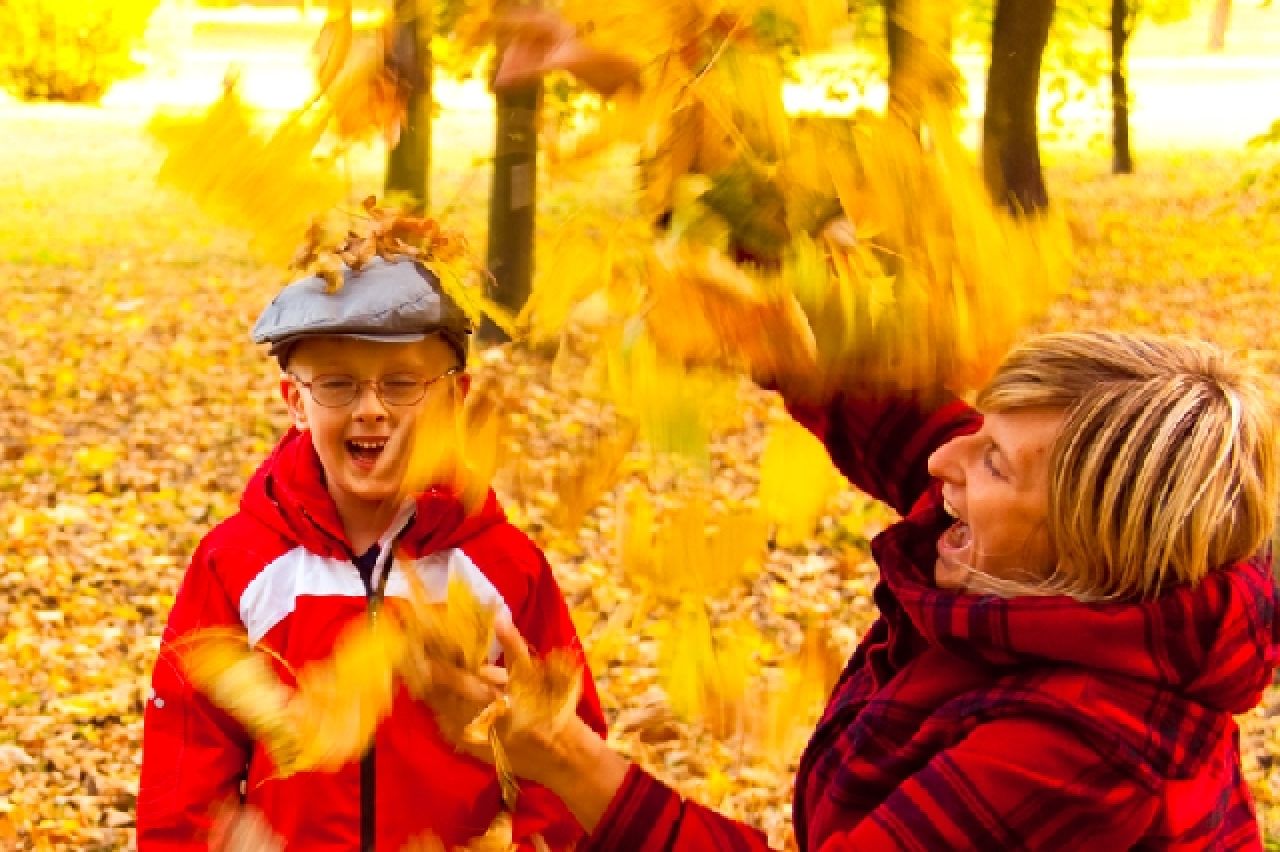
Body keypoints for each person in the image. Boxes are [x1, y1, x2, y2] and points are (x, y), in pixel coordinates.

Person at [422, 330, 1280, 850]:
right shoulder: (1040, 564)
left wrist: (565, 756)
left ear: (1088, 547)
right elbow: (906, 426)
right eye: (978, 428)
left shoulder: (1085, 751)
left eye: (992, 461)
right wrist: (760, 298)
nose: (947, 460)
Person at [136, 256, 606, 851]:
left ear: (453, 399)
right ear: (296, 402)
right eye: (337, 384)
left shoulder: (503, 570)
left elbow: (569, 756)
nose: (371, 409)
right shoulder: (238, 562)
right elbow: (184, 759)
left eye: (403, 383)